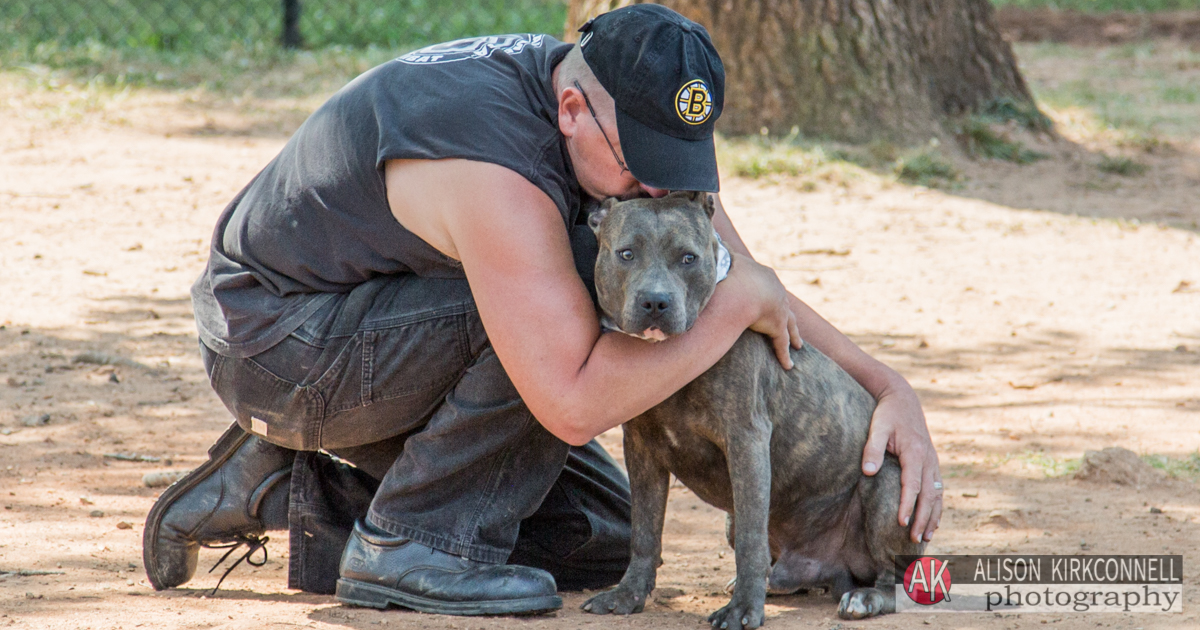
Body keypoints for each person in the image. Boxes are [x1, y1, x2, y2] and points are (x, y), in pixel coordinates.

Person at [141, 4, 942, 616]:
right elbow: (571, 399)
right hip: (279, 346)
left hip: (372, 334)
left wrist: (883, 385)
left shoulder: (630, 135)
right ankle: (406, 543)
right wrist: (736, 309)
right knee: (574, 307)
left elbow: (738, 280)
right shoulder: (493, 168)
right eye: (645, 173)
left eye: (680, 171)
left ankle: (288, 482)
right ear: (571, 114)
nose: (661, 192)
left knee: (605, 539)